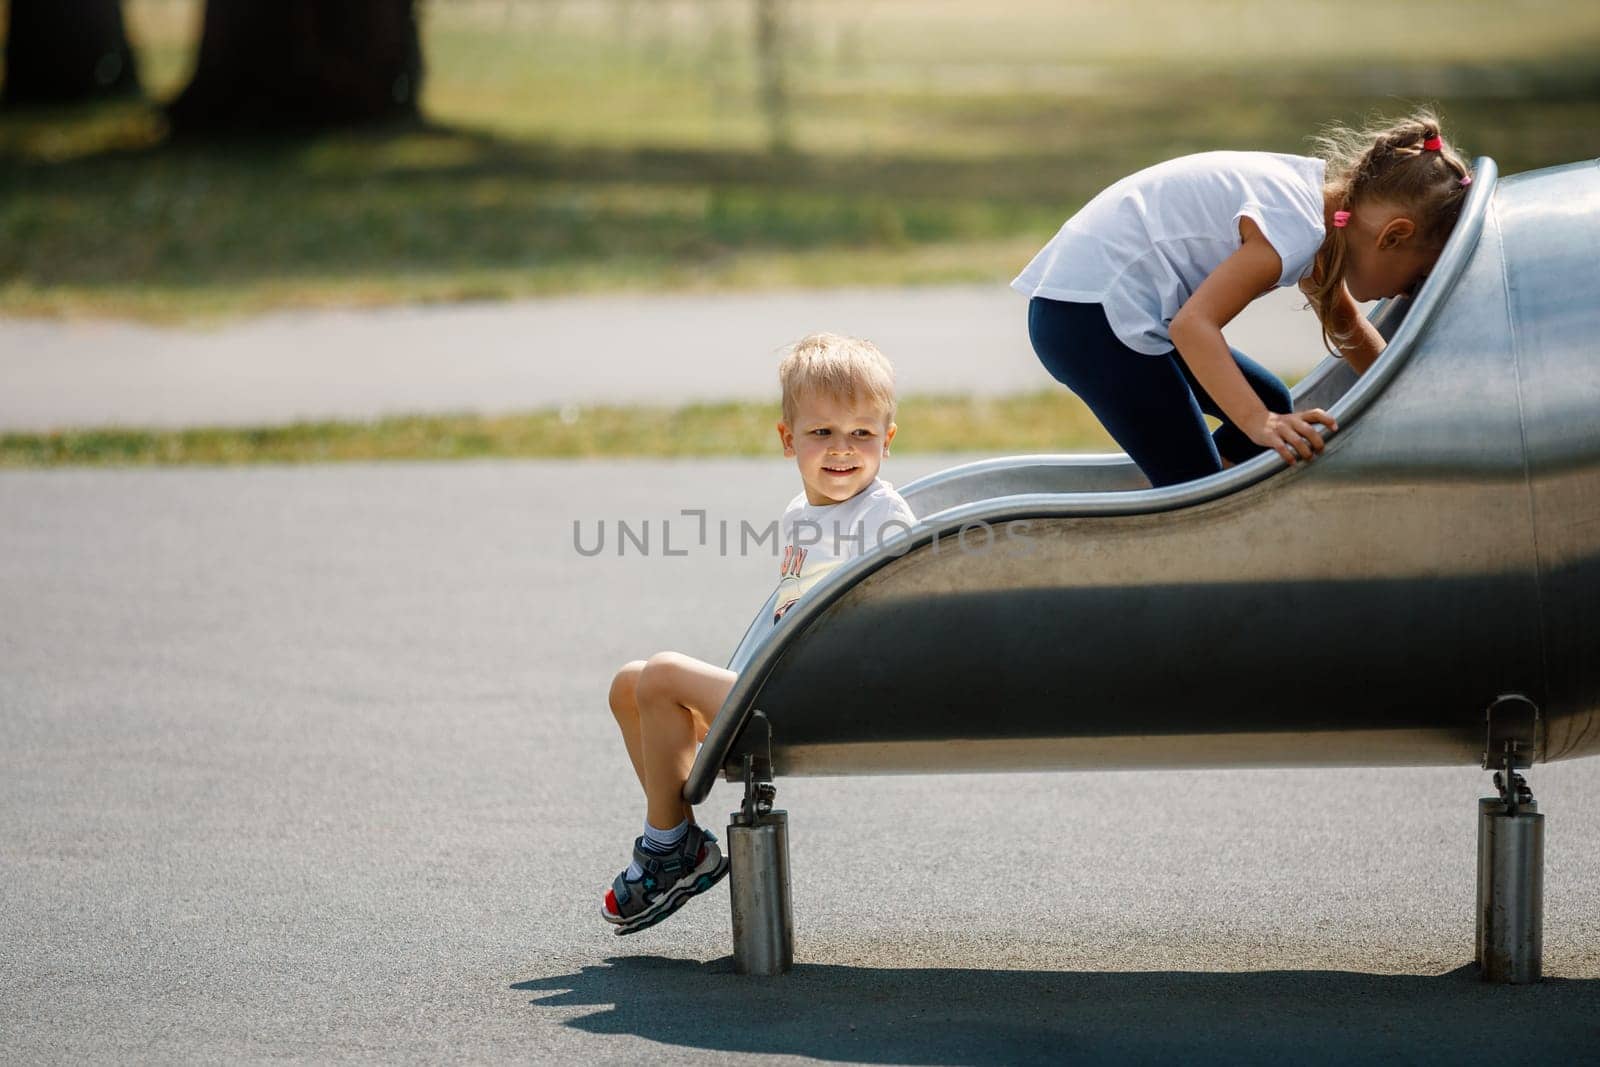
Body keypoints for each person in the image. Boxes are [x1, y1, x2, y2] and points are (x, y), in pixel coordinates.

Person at [600, 332, 917, 935]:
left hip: (829, 692)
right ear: (787, 439)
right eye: (822, 432)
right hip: (787, 679)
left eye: (862, 434)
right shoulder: (802, 512)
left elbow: (896, 616)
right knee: (630, 684)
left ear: (888, 440)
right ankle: (679, 841)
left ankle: (666, 851)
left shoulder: (883, 517)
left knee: (664, 673)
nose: (842, 449)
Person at [1012, 110, 1474, 488]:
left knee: (1269, 398)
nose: (1405, 292)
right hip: (1090, 320)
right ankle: (1189, 512)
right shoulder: (1294, 230)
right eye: (1417, 276)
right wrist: (1258, 423)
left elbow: (1347, 326)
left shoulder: (1316, 212)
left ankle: (1208, 487)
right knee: (1200, 479)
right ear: (1394, 236)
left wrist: (1412, 403)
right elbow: (1193, 326)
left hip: (1095, 307)